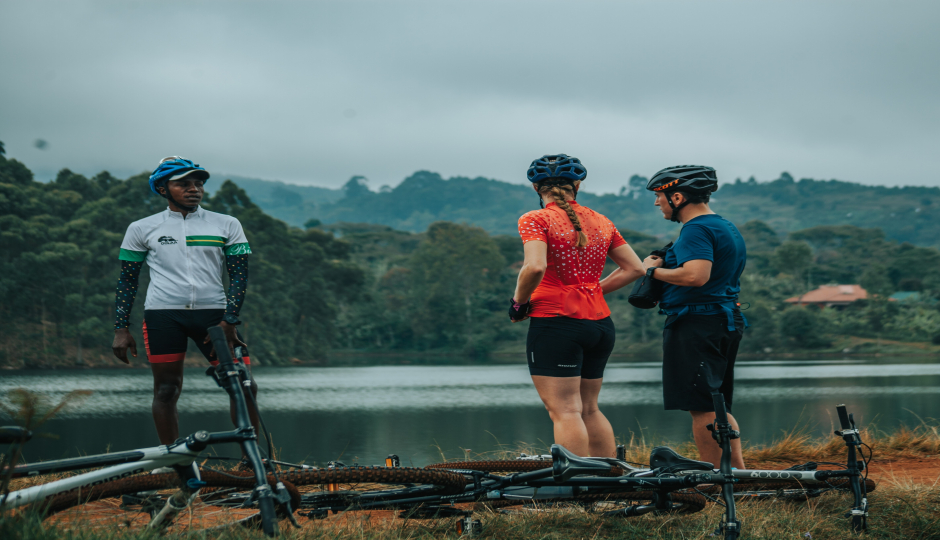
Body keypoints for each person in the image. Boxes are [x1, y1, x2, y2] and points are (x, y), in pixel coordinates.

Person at [111, 156, 258, 447]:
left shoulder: (226, 224)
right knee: (166, 390)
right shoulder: (142, 228)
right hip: (163, 316)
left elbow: (239, 276)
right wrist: (121, 328)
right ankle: (174, 463)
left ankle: (251, 462)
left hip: (215, 316)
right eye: (184, 184)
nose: (194, 189)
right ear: (164, 189)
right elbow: (128, 280)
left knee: (244, 385)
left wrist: (230, 320)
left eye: (199, 184)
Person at [607, 165, 747, 468]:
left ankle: (718, 481)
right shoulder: (724, 225)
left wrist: (650, 270)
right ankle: (736, 475)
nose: (657, 202)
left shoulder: (696, 229)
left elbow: (696, 276)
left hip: (697, 324)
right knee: (718, 404)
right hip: (723, 320)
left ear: (679, 197)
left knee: (703, 408)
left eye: (660, 196)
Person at [509, 154, 644, 458]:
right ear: (577, 184)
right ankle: (608, 480)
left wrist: (519, 303)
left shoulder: (535, 219)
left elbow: (534, 267)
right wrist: (593, 290)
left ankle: (575, 483)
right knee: (589, 408)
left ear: (536, 186)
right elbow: (635, 269)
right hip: (599, 324)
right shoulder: (603, 221)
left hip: (556, 322)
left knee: (565, 411)